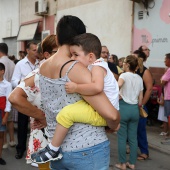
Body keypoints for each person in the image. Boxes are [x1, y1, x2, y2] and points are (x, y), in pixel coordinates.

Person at [9, 15, 120, 170]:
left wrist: (42, 116)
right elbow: (112, 115)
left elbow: (14, 97)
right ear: (80, 38)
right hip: (87, 149)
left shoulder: (42, 67)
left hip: (58, 149)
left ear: (58, 36)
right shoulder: (75, 68)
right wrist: (113, 125)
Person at [31, 33, 119, 164]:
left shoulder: (97, 68)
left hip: (101, 113)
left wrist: (76, 87)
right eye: (71, 54)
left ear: (90, 56)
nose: (72, 58)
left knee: (66, 114)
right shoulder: (93, 66)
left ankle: (53, 149)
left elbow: (97, 87)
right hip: (97, 123)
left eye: (75, 55)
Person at [15, 35, 57, 169]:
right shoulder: (38, 74)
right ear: (47, 54)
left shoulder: (63, 72)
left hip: (62, 138)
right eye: (58, 52)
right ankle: (19, 149)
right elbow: (15, 97)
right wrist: (42, 117)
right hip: (44, 135)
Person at [11, 41, 39, 159]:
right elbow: (13, 81)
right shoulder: (20, 64)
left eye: (37, 50)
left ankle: (36, 150)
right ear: (27, 51)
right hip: (24, 99)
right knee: (22, 126)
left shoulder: (40, 64)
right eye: (34, 50)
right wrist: (24, 85)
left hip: (37, 100)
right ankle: (21, 149)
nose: (36, 52)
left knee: (37, 125)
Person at [115, 55, 143, 170]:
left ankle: (122, 164)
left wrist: (118, 94)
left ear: (126, 64)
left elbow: (117, 86)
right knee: (133, 138)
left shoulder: (124, 75)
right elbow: (140, 100)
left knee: (122, 137)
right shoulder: (139, 78)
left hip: (124, 108)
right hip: (135, 109)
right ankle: (131, 163)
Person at [133, 49, 153, 160]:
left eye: (134, 57)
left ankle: (144, 152)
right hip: (131, 104)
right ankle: (133, 147)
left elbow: (149, 89)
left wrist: (142, 104)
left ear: (140, 59)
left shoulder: (145, 71)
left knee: (140, 129)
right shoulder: (132, 71)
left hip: (140, 105)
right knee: (132, 129)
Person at [0, 43, 16, 149]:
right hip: (12, 92)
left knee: (3, 119)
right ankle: (12, 140)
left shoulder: (1, 62)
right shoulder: (12, 63)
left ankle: (4, 141)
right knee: (9, 120)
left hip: (4, 93)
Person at [0, 63, 12, 165]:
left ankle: (0, 156)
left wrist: (6, 116)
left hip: (1, 111)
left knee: (1, 134)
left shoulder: (7, 84)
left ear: (2, 71)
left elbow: (8, 101)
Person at [161, 53, 170, 145]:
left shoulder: (169, 70)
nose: (164, 61)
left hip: (169, 97)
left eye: (165, 59)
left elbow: (162, 82)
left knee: (169, 117)